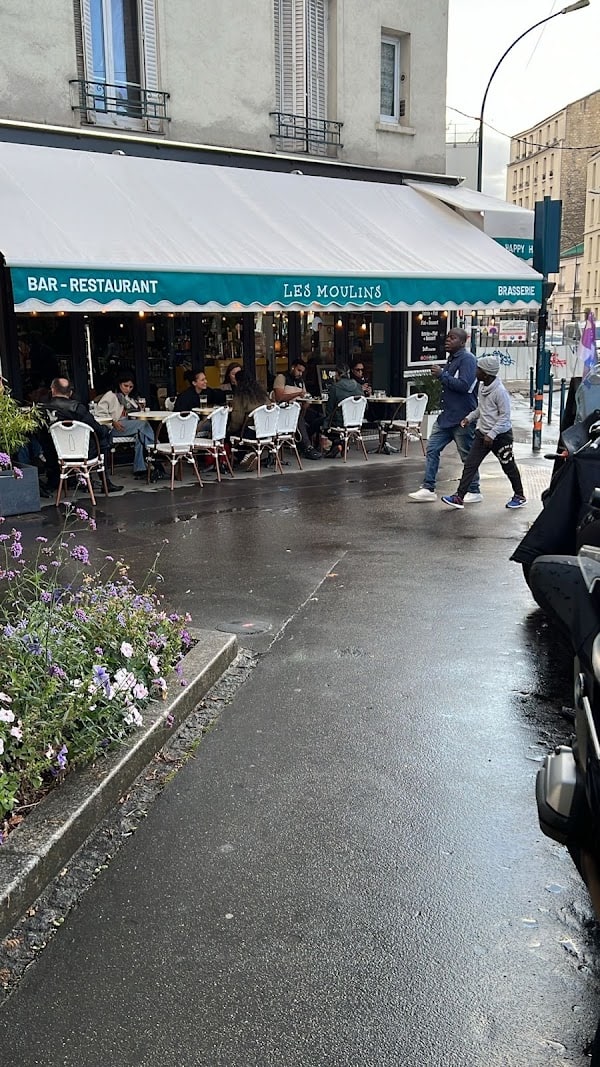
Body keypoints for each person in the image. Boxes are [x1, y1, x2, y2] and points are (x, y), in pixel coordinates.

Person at [441, 354, 526, 510]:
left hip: (501, 437)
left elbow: (505, 417)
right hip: (483, 434)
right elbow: (482, 408)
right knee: (470, 465)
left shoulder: (500, 392)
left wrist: (492, 434)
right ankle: (459, 497)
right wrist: (469, 418)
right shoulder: (482, 386)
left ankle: (519, 496)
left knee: (508, 466)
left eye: (478, 369)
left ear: (486, 373)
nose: (475, 371)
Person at [408, 327, 481, 503]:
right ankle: (428, 487)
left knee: (466, 455)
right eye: (447, 337)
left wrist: (442, 375)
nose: (447, 340)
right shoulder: (452, 359)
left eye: (453, 338)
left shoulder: (468, 360)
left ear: (463, 342)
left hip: (462, 416)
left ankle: (474, 490)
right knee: (432, 449)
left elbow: (464, 385)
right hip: (446, 416)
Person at [43, 377, 123, 493]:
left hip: (57, 453)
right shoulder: (76, 408)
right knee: (103, 439)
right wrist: (105, 430)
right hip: (83, 454)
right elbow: (97, 429)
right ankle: (105, 482)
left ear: (52, 390)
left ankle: (58, 479)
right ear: (70, 392)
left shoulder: (42, 408)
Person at [94, 372, 154, 480]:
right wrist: (112, 422)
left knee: (140, 436)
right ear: (119, 384)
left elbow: (136, 413)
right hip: (115, 427)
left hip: (129, 424)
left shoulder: (131, 398)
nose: (128, 389)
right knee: (143, 424)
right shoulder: (110, 395)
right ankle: (154, 447)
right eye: (125, 386)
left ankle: (139, 468)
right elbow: (99, 413)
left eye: (131, 387)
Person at [272, 358, 322, 459]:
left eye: (302, 372)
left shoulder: (301, 381)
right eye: (299, 370)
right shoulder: (282, 378)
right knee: (298, 418)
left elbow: (305, 396)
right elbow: (279, 397)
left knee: (320, 417)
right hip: (283, 411)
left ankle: (318, 443)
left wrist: (306, 402)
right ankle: (307, 447)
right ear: (292, 367)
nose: (300, 374)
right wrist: (298, 393)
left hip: (299, 409)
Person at [227, 373, 270, 471]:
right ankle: (250, 454)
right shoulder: (262, 395)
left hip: (249, 433)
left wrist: (229, 429)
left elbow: (237, 419)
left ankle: (245, 455)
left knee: (227, 436)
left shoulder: (240, 397)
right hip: (266, 432)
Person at [323, 364, 363, 457]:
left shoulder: (335, 387)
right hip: (356, 423)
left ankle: (336, 444)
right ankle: (340, 444)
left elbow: (329, 409)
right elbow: (366, 406)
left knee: (317, 423)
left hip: (339, 422)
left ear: (337, 374)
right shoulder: (358, 386)